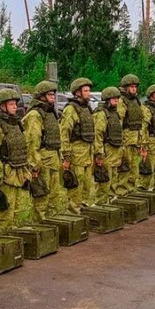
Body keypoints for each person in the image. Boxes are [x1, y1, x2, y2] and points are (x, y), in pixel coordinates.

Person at [0, 89, 32, 233]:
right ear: (2, 106)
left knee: (16, 210)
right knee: (4, 213)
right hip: (5, 175)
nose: (15, 107)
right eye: (11, 104)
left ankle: (11, 244)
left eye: (15, 104)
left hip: (18, 172)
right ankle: (0, 241)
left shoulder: (16, 123)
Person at [22, 80, 63, 222]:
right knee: (42, 197)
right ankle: (40, 226)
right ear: (42, 96)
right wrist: (34, 165)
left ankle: (53, 225)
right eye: (50, 95)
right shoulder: (35, 115)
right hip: (42, 160)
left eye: (53, 94)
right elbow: (32, 141)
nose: (53, 97)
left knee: (54, 196)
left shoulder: (50, 112)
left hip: (53, 158)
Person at [59, 77, 96, 213]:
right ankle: (74, 211)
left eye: (89, 90)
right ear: (77, 92)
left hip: (87, 151)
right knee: (76, 182)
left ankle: (85, 208)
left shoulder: (87, 108)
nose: (89, 93)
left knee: (87, 183)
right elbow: (64, 133)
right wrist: (66, 156)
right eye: (85, 91)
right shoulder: (70, 109)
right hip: (77, 152)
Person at [116, 74, 148, 196]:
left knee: (134, 169)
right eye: (132, 87)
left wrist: (141, 141)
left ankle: (131, 190)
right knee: (124, 168)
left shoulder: (135, 101)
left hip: (135, 140)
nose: (135, 89)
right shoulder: (121, 101)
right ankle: (122, 193)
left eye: (136, 87)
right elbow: (118, 123)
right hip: (126, 140)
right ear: (125, 87)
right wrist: (120, 143)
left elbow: (140, 122)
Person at [93, 87, 124, 204]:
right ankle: (101, 204)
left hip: (116, 151)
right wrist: (99, 154)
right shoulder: (101, 114)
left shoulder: (115, 114)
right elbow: (98, 135)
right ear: (107, 100)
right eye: (114, 98)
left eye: (117, 98)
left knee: (114, 179)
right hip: (106, 151)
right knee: (104, 181)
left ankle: (111, 202)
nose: (116, 100)